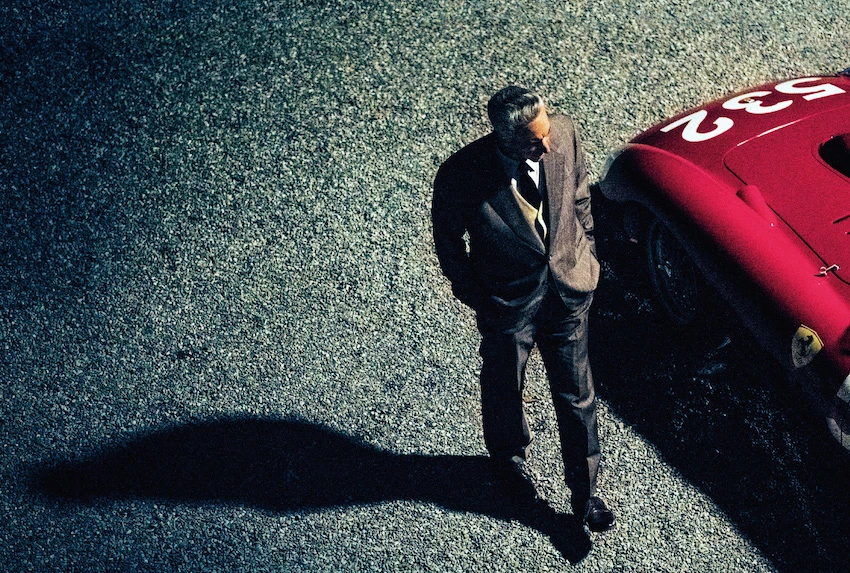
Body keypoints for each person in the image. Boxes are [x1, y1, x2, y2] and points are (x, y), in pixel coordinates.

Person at [432, 86, 614, 532]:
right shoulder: (460, 175)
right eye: (534, 141)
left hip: (568, 289)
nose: (547, 145)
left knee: (578, 393)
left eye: (546, 133)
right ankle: (508, 463)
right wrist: (476, 293)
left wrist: (587, 253)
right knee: (504, 386)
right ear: (506, 138)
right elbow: (448, 243)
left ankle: (586, 494)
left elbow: (580, 198)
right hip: (508, 303)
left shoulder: (564, 133)